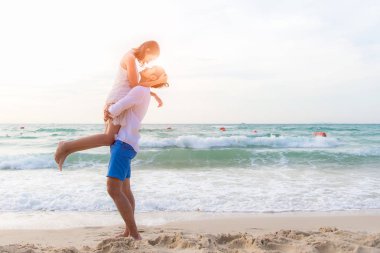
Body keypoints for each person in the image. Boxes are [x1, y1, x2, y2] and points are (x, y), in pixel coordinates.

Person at [54, 40, 166, 170]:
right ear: (147, 50)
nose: (148, 62)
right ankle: (65, 146)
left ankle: (67, 150)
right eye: (151, 58)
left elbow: (134, 87)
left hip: (117, 99)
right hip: (117, 100)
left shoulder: (131, 57)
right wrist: (157, 82)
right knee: (108, 138)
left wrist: (152, 94)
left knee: (108, 138)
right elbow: (135, 85)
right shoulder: (130, 57)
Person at [104, 66, 169, 240]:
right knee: (125, 189)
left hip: (123, 143)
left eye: (151, 68)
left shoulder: (140, 90)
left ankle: (134, 234)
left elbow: (119, 107)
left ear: (153, 76)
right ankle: (129, 231)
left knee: (113, 189)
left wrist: (108, 109)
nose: (146, 66)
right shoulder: (144, 91)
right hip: (128, 144)